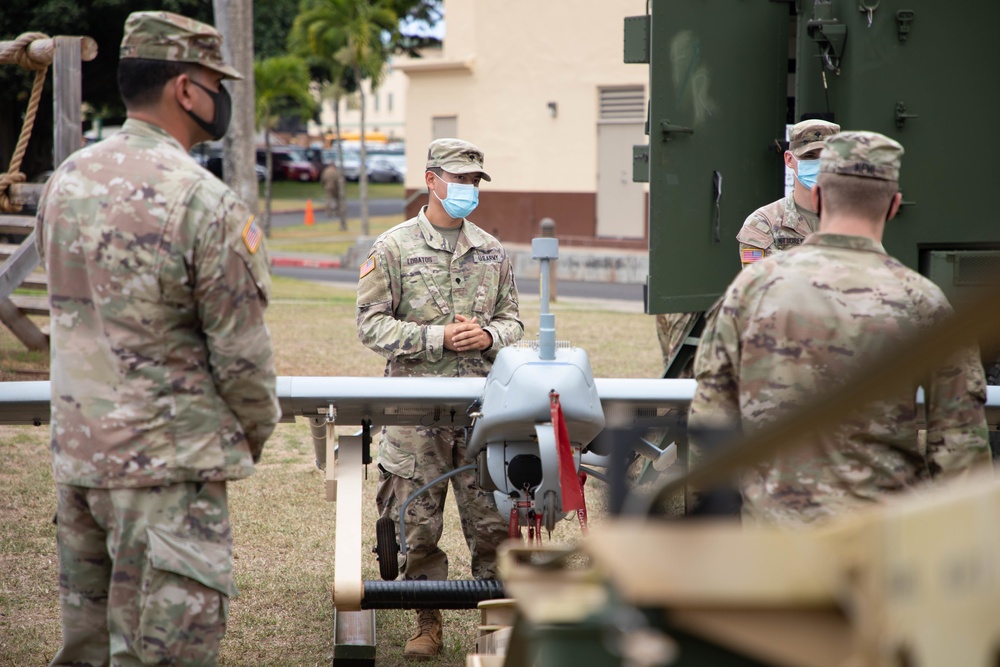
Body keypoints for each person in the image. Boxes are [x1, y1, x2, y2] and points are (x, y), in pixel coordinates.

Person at [36, 11, 281, 666]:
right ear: (185, 88)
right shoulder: (202, 200)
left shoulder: (67, 181)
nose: (222, 96)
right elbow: (242, 357)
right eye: (214, 81)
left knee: (87, 650)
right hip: (171, 474)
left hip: (82, 467)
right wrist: (251, 432)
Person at [688, 131, 991, 526]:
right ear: (894, 206)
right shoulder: (925, 302)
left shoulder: (750, 291)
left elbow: (710, 426)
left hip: (771, 548)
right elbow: (961, 451)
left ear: (818, 198)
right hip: (878, 553)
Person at [356, 138, 523, 658]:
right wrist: (437, 338)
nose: (468, 189)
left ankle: (494, 628)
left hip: (482, 413)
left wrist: (490, 336)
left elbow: (514, 320)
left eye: (475, 181)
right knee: (416, 523)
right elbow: (370, 325)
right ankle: (427, 623)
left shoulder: (492, 249)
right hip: (414, 412)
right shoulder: (392, 248)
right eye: (459, 179)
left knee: (494, 525)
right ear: (431, 180)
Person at [736, 118, 840, 268]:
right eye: (809, 156)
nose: (820, 164)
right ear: (789, 159)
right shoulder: (762, 224)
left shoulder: (854, 222)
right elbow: (760, 285)